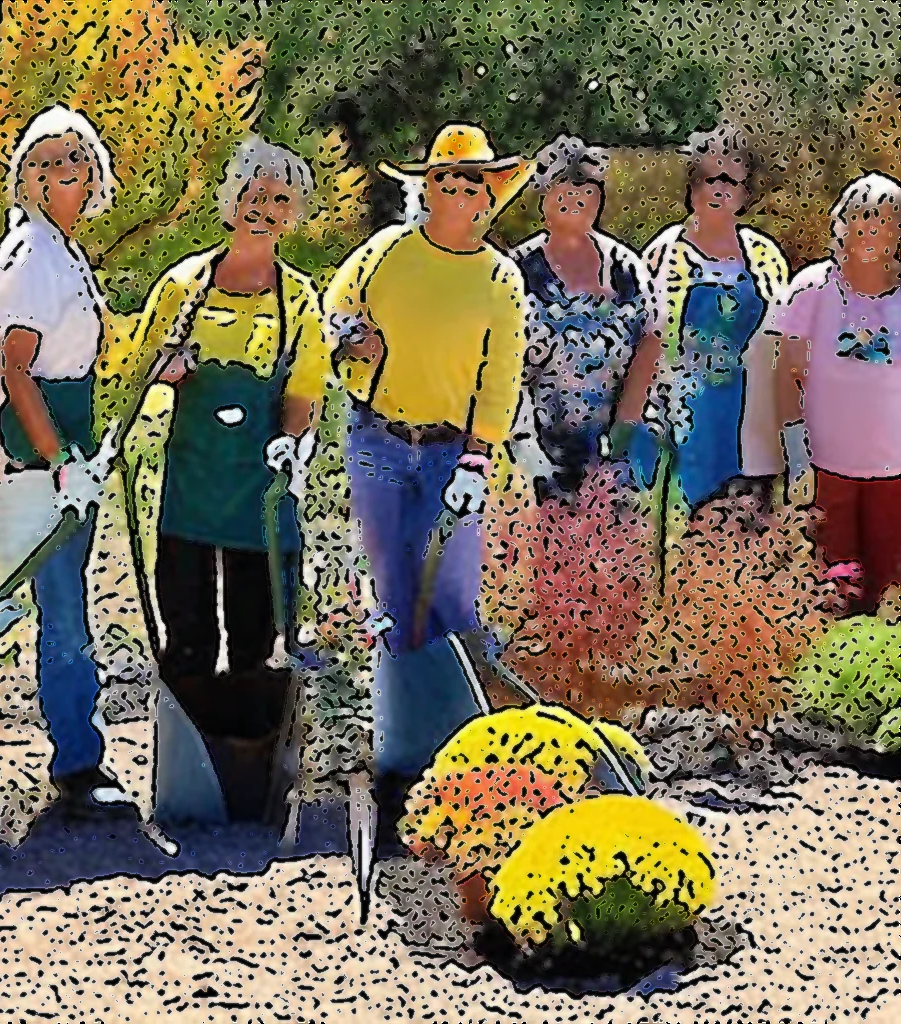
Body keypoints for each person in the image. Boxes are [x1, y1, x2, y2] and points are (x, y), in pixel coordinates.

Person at [325, 122, 531, 835]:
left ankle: (462, 770)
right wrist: (353, 339)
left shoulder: (499, 279)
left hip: (451, 454)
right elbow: (336, 311)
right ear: (427, 187)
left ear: (486, 197)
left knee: (450, 605)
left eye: (472, 182)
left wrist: (479, 458)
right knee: (392, 605)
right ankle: (397, 770)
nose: (457, 191)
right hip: (380, 437)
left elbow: (499, 378)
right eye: (445, 178)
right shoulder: (387, 253)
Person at [149, 136, 328, 742]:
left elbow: (304, 390)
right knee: (188, 627)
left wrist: (293, 446)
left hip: (262, 487)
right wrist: (165, 373)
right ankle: (186, 760)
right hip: (193, 482)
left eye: (280, 199)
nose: (265, 208)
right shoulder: (184, 286)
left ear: (293, 213)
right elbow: (140, 370)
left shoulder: (300, 298)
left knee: (256, 631)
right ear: (232, 201)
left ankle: (251, 760)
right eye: (255, 194)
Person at [0, 104, 117, 805]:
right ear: (26, 178)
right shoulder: (33, 256)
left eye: (73, 159)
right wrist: (57, 459)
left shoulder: (62, 250)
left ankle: (78, 752)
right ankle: (77, 764)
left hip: (71, 437)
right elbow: (17, 368)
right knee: (63, 607)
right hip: (46, 447)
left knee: (69, 599)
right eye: (46, 162)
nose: (63, 172)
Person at [741, 172, 901, 613]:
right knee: (835, 587)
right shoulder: (812, 288)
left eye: (886, 221)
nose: (873, 232)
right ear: (842, 226)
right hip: (827, 467)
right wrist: (795, 457)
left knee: (890, 590)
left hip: (894, 471)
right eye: (862, 220)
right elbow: (786, 373)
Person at [614, 125, 790, 511]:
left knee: (743, 530)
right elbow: (648, 342)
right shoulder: (666, 252)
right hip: (675, 416)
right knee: (673, 529)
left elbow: (783, 346)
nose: (719, 190)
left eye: (731, 181)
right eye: (710, 178)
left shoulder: (765, 256)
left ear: (746, 193)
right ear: (693, 187)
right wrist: (626, 424)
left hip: (747, 416)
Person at [508, 135, 654, 501]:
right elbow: (497, 361)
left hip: (611, 452)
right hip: (529, 453)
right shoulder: (515, 270)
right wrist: (526, 451)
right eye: (563, 188)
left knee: (613, 552)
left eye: (587, 191)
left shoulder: (626, 269)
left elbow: (650, 343)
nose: (575, 200)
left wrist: (625, 429)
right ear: (543, 197)